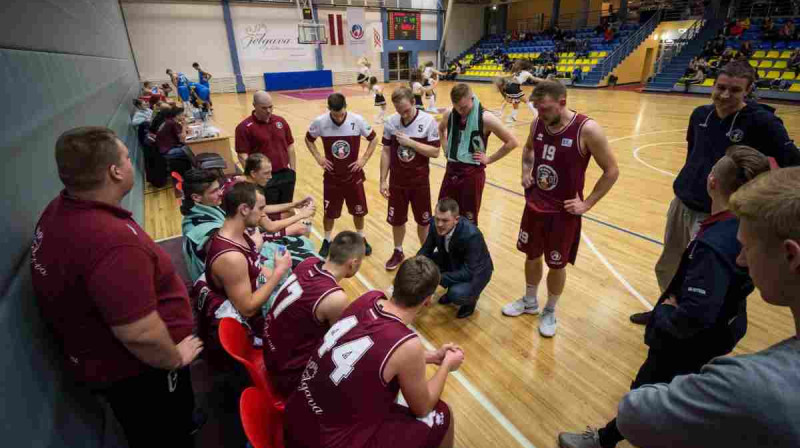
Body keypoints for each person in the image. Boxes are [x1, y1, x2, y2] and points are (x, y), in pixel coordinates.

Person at [557, 146, 771, 448]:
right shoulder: (741, 226)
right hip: (723, 328)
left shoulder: (715, 244)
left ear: (711, 181)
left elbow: (695, 315)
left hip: (688, 341)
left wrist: (665, 313)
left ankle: (604, 440)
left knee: (646, 392)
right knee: (682, 394)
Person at [31, 127, 202, 447]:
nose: (130, 160)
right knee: (166, 436)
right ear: (115, 171)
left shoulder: (60, 209)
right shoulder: (111, 242)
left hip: (114, 368)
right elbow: (140, 333)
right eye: (126, 156)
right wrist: (174, 359)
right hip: (145, 374)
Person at [613, 167, 800, 448]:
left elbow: (634, 412)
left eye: (747, 248)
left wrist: (665, 312)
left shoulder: (752, 386)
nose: (741, 260)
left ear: (790, 255)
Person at [631, 61, 800, 325]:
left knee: (708, 275)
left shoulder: (762, 121)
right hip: (683, 203)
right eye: (720, 87)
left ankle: (700, 325)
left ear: (748, 90)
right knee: (669, 264)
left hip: (722, 215)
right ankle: (666, 311)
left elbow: (792, 162)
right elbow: (693, 154)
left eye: (735, 90)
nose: (724, 95)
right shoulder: (700, 115)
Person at [284, 256, 464, 448]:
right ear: (428, 300)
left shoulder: (369, 299)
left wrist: (433, 357)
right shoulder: (407, 344)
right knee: (442, 415)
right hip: (323, 442)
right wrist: (446, 365)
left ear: (395, 283)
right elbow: (422, 407)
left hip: (293, 419)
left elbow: (370, 354)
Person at [502, 80, 619, 337]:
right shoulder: (538, 123)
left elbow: (612, 171)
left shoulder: (587, 130)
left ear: (562, 102)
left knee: (557, 264)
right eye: (537, 108)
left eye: (544, 108)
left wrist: (587, 203)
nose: (540, 114)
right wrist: (525, 172)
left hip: (563, 213)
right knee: (531, 255)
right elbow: (528, 149)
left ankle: (550, 310)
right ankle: (530, 301)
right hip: (535, 204)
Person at [199, 182, 292, 369]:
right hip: (248, 322)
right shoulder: (231, 258)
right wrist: (279, 272)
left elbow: (254, 268)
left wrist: (281, 275)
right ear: (243, 209)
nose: (263, 214)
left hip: (249, 295)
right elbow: (247, 308)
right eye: (261, 208)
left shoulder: (239, 234)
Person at [263, 231, 365, 399]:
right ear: (353, 263)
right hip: (286, 375)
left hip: (268, 348)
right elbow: (342, 345)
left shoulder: (308, 262)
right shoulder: (336, 298)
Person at [305, 93, 378, 258]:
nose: (339, 118)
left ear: (346, 106)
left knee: (359, 211)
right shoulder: (320, 122)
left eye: (341, 114)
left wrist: (364, 159)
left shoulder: (357, 120)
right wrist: (318, 157)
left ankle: (361, 237)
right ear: (329, 109)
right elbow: (308, 139)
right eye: (335, 115)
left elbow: (374, 139)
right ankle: (327, 240)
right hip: (332, 177)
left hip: (353, 176)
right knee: (329, 213)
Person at [437, 83, 519, 225]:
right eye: (457, 107)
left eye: (464, 107)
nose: (460, 111)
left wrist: (489, 159)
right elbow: (440, 130)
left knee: (468, 220)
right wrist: (446, 149)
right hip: (451, 170)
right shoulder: (449, 113)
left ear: (472, 99)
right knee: (443, 214)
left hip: (472, 173)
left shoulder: (486, 118)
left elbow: (512, 142)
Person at [380, 86, 441, 271]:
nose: (403, 115)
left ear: (414, 102)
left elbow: (435, 152)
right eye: (399, 111)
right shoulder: (391, 122)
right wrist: (383, 180)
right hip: (397, 183)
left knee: (423, 221)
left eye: (406, 110)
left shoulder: (428, 121)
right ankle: (398, 251)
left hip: (420, 182)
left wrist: (411, 143)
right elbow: (386, 151)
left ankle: (426, 255)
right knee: (397, 220)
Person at [418, 198, 493, 319]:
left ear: (456, 220)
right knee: (424, 264)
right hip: (453, 259)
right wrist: (414, 266)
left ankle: (471, 300)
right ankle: (451, 289)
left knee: (456, 293)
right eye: (437, 219)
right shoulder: (434, 224)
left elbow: (469, 272)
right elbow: (426, 249)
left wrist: (436, 279)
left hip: (477, 272)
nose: (439, 224)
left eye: (445, 220)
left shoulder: (472, 235)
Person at [235, 91, 297, 208]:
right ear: (254, 105)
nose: (268, 111)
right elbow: (242, 156)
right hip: (264, 179)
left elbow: (290, 146)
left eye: (270, 107)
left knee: (287, 209)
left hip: (285, 175)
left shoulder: (281, 121)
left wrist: (293, 171)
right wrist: (254, 178)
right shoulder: (244, 128)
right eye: (264, 108)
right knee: (267, 211)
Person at [242, 153, 315, 238]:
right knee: (303, 227)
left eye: (270, 172)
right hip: (248, 236)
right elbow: (271, 227)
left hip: (242, 228)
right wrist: (302, 215)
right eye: (266, 173)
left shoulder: (240, 182)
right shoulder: (251, 194)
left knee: (290, 212)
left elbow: (264, 208)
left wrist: (294, 204)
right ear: (253, 173)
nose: (270, 177)